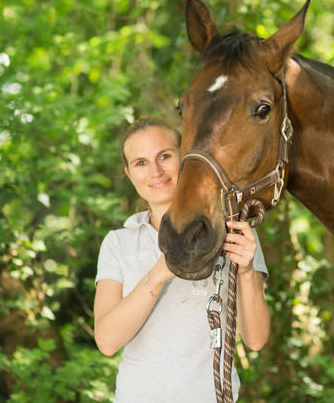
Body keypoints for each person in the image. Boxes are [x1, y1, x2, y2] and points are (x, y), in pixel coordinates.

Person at [94, 117, 270, 403]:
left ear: (184, 157)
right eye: (141, 163)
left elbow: (256, 339)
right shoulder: (119, 243)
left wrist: (247, 271)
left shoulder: (232, 233)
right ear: (129, 175)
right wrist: (161, 272)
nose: (155, 171)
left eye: (164, 156)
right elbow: (106, 341)